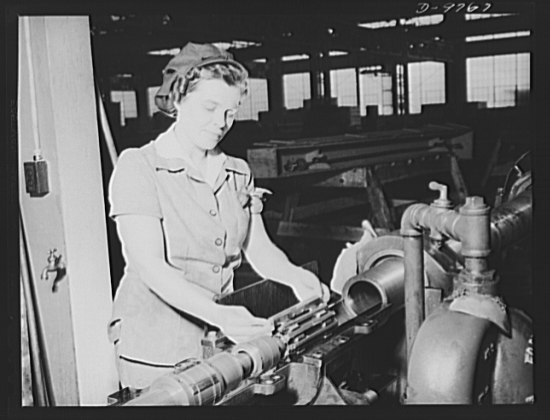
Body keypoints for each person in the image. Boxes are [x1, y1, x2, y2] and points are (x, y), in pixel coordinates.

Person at [107, 42, 329, 390]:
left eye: (230, 111)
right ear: (178, 99)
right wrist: (219, 314)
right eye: (209, 107)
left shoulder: (237, 172)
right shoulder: (140, 167)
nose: (221, 123)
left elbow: (259, 249)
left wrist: (293, 276)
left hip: (221, 342)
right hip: (157, 348)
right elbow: (150, 266)